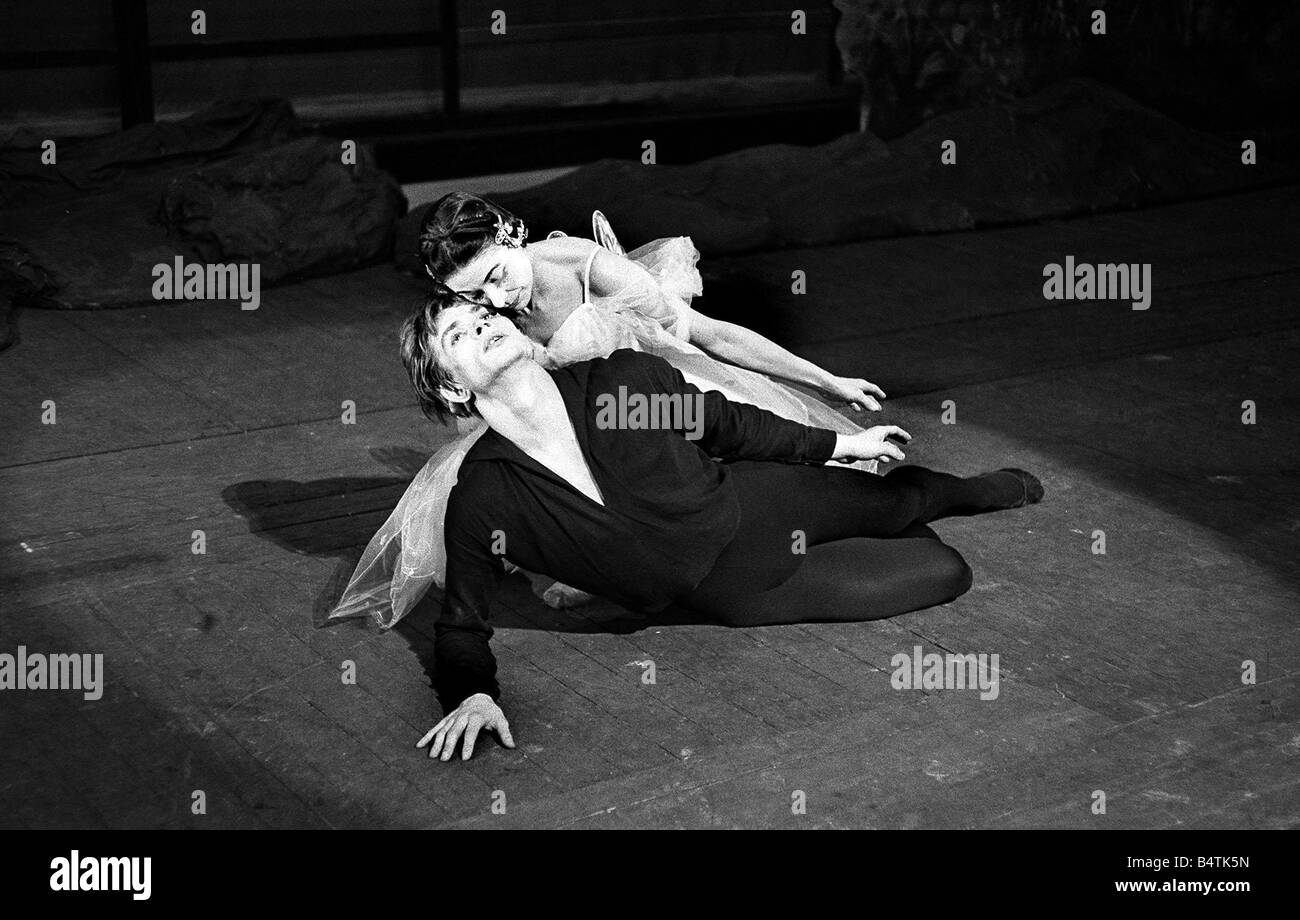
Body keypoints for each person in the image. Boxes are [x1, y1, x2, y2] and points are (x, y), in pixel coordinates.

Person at [406, 289, 1044, 761]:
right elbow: (461, 622)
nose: (483, 323)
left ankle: (969, 492)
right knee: (944, 570)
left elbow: (729, 427)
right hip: (738, 592)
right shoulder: (486, 496)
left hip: (763, 502)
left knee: (901, 501)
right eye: (458, 334)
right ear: (454, 390)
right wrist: (472, 694)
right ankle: (888, 522)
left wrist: (837, 446)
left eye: (482, 313)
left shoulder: (614, 384)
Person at [330, 192, 891, 626]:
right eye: (475, 296)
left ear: (511, 236)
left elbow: (712, 335)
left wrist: (827, 382)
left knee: (763, 499)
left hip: (655, 399)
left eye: (498, 277)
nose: (496, 303)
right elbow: (478, 405)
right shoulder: (482, 310)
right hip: (580, 429)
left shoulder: (586, 268)